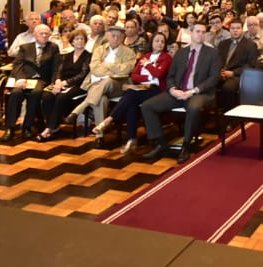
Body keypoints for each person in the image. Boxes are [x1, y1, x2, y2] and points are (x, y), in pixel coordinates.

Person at [142, 23, 219, 164]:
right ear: (191, 33)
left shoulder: (212, 53)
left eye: (203, 32)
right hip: (178, 92)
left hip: (199, 93)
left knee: (193, 108)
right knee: (147, 106)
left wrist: (193, 91)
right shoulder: (181, 53)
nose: (200, 34)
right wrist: (172, 89)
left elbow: (214, 78)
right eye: (197, 31)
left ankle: (186, 145)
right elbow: (170, 76)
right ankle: (161, 143)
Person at [94, 30, 171, 154]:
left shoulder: (166, 57)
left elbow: (159, 74)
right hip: (142, 88)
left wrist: (148, 66)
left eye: (162, 41)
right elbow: (134, 76)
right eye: (157, 41)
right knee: (131, 102)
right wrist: (149, 77)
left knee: (131, 94)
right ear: (151, 43)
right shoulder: (145, 56)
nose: (160, 43)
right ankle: (131, 139)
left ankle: (109, 120)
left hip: (156, 90)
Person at [3, 23, 58, 142]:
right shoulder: (25, 47)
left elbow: (56, 67)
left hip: (41, 79)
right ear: (35, 35)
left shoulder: (53, 47)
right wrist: (20, 79)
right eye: (41, 33)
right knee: (15, 93)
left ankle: (27, 126)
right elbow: (18, 65)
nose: (44, 35)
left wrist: (54, 82)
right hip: (24, 78)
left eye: (46, 33)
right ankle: (10, 128)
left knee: (36, 93)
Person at [36, 27, 91, 142]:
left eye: (82, 39)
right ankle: (54, 125)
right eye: (77, 39)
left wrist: (66, 83)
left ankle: (49, 128)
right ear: (72, 42)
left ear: (85, 41)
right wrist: (57, 81)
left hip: (79, 85)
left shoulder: (88, 56)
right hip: (61, 83)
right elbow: (58, 70)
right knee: (46, 95)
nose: (79, 41)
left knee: (61, 96)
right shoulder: (66, 55)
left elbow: (83, 74)